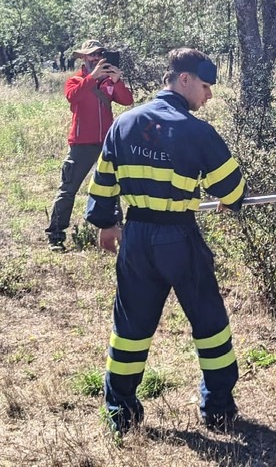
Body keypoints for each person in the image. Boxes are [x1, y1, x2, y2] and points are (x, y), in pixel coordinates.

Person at [85, 48, 247, 434]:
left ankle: (119, 413)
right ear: (184, 79)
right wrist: (228, 198)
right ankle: (219, 409)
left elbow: (103, 182)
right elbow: (235, 191)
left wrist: (106, 225)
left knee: (130, 328)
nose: (208, 95)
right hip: (179, 236)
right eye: (205, 86)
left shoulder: (123, 124)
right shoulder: (197, 131)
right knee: (210, 323)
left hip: (136, 236)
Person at [46, 39, 133, 252]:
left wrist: (117, 80)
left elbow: (126, 100)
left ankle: (115, 231)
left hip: (106, 144)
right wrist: (92, 79)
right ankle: (56, 236)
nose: (96, 58)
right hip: (81, 144)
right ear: (84, 58)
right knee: (68, 189)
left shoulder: (108, 81)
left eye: (99, 54)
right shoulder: (75, 80)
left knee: (112, 188)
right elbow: (72, 97)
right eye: (92, 55)